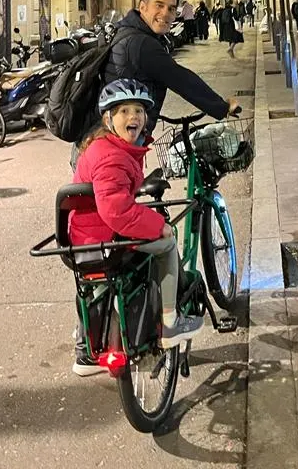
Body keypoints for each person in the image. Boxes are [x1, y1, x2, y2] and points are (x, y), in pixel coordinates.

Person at [69, 79, 203, 376]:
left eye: (139, 111)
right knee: (167, 242)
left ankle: (86, 350)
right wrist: (158, 225)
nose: (134, 117)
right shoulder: (111, 157)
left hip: (86, 237)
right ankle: (170, 322)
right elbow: (116, 211)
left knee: (97, 287)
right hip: (105, 238)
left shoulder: (104, 146)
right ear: (108, 119)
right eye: (124, 111)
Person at [104, 0, 239, 130]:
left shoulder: (125, 30)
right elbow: (180, 79)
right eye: (159, 5)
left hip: (110, 129)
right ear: (143, 7)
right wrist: (223, 107)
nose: (165, 13)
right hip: (118, 136)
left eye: (171, 9)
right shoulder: (142, 43)